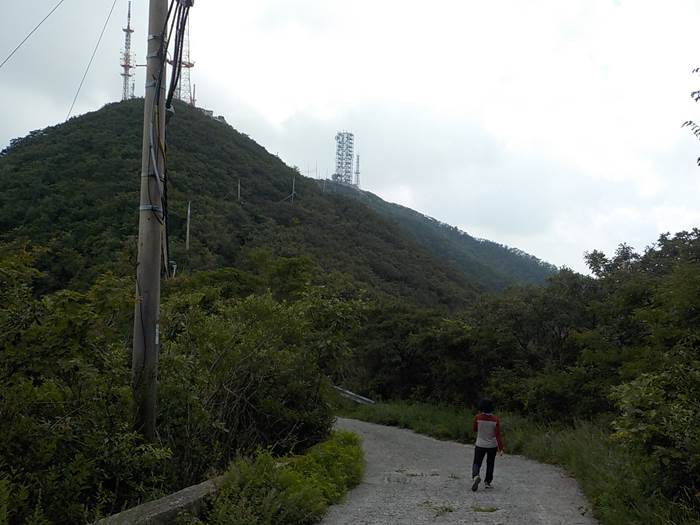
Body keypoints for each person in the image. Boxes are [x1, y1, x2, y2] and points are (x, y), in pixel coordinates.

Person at [471, 398, 504, 491]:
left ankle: (475, 476)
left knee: (477, 462)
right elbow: (497, 434)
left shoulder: (477, 417)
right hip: (492, 445)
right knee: (490, 463)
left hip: (480, 444)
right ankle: (487, 482)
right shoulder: (495, 419)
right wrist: (500, 447)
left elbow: (474, 429)